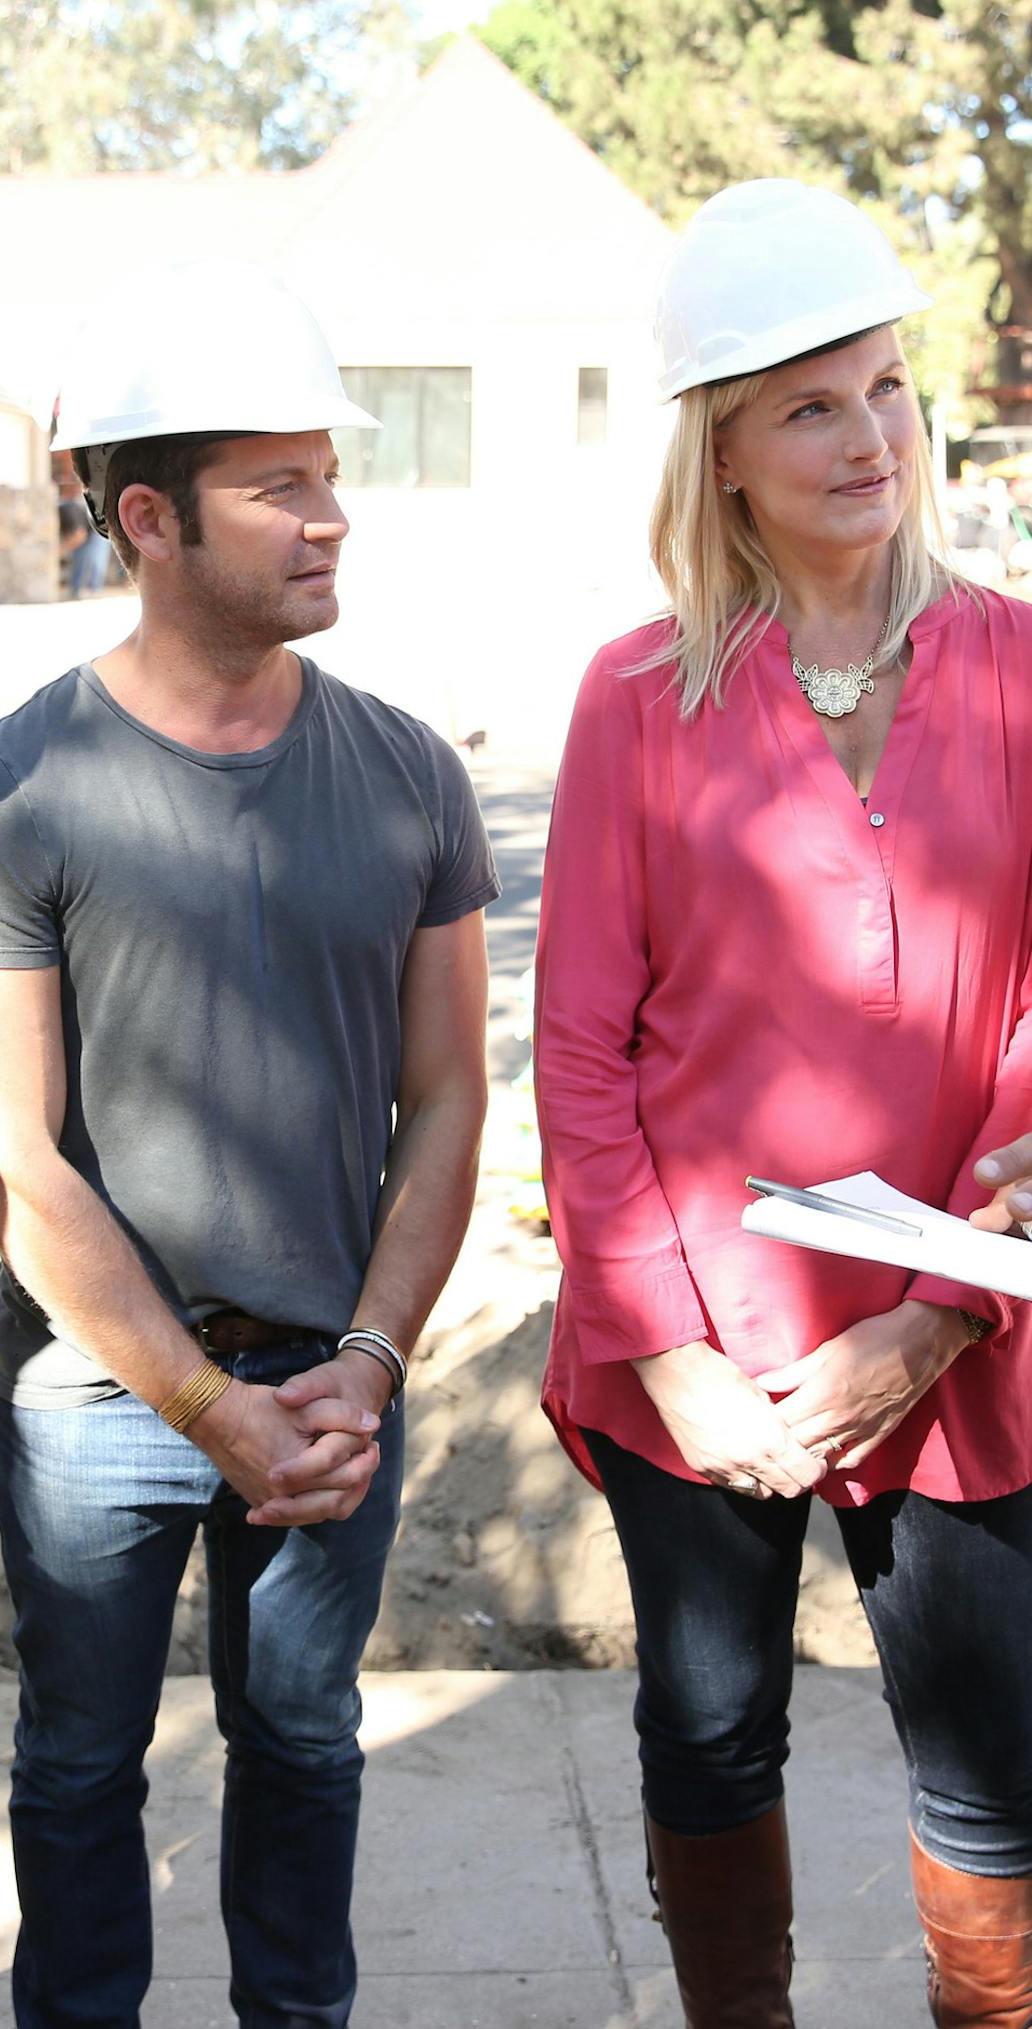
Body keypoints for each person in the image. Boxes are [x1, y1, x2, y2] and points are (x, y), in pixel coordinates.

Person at [0, 260, 496, 2029]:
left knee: (304, 1740)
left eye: (330, 472)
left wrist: (370, 1363)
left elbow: (450, 1094)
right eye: (282, 485)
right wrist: (198, 1401)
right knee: (79, 1762)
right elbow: (7, 1164)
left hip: (333, 1385)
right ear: (146, 517)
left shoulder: (403, 774)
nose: (333, 519)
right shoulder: (6, 797)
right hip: (99, 1399)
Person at [533, 179, 1032, 2028]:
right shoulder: (637, 697)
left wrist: (938, 1310)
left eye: (889, 388)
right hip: (703, 1344)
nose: (870, 436)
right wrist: (669, 1359)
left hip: (965, 1335)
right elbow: (581, 1053)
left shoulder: (1025, 665)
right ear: (721, 450)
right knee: (711, 1736)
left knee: (994, 1767)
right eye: (811, 403)